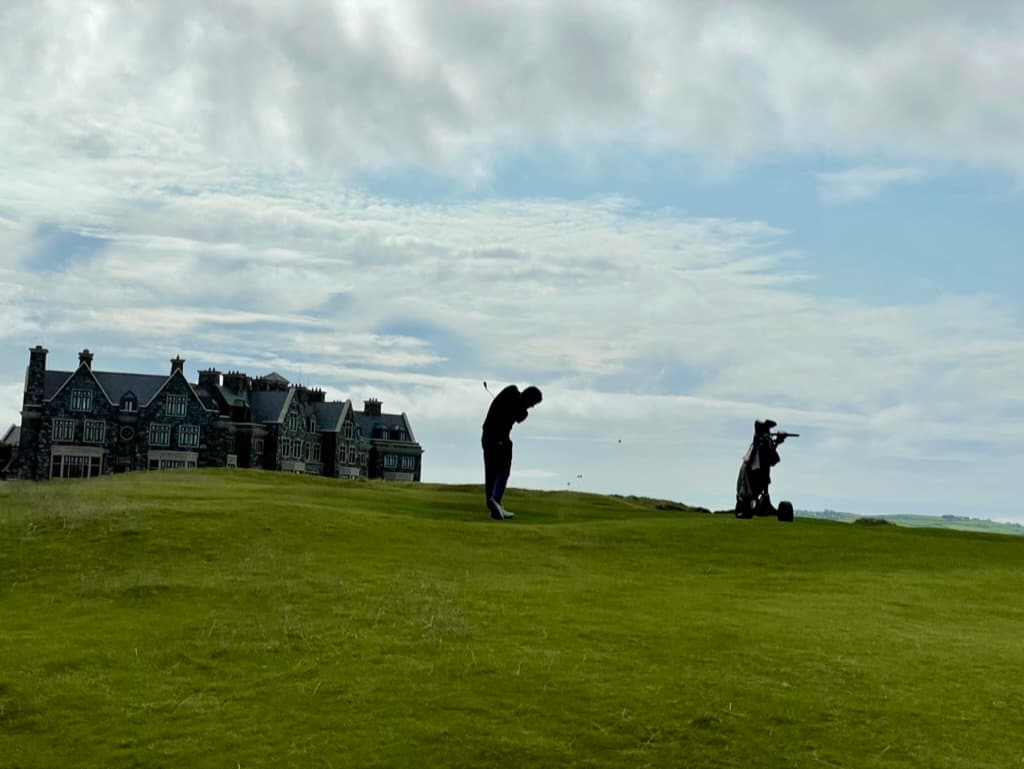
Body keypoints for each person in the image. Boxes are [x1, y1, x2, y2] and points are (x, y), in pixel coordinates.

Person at [481, 384, 543, 520]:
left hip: (487, 437)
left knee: (491, 472)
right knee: (502, 470)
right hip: (497, 439)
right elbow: (515, 404)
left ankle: (493, 507)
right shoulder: (512, 392)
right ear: (528, 398)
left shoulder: (520, 409)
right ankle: (495, 501)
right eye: (533, 403)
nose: (532, 407)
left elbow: (519, 415)